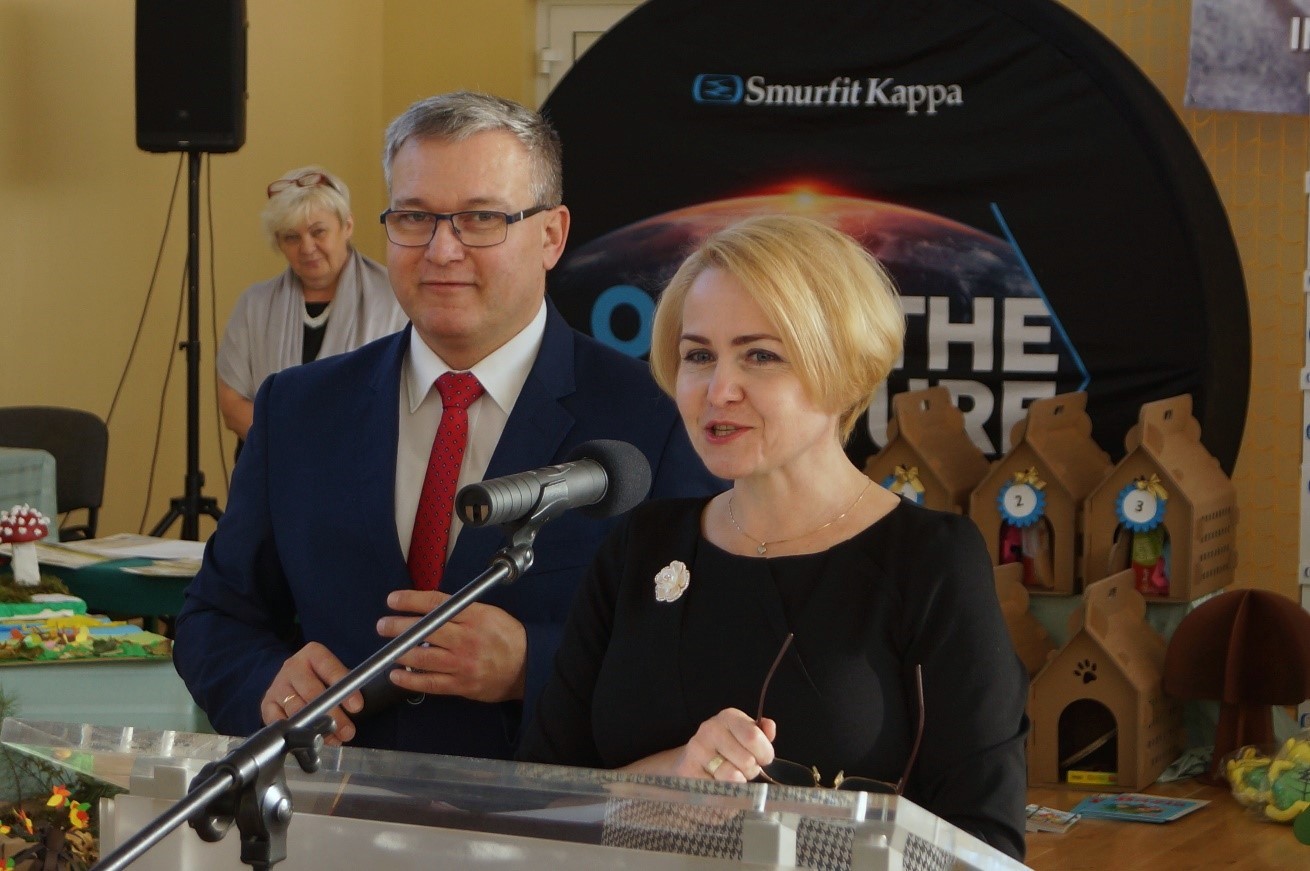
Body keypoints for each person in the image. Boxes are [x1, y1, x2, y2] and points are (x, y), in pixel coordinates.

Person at [174, 92, 722, 760]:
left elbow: (703, 652)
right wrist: (268, 683)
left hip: (546, 817)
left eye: (480, 219)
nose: (441, 249)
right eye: (414, 217)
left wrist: (533, 665)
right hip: (333, 808)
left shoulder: (656, 419)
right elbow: (214, 619)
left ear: (551, 236)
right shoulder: (298, 408)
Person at [518, 215, 1029, 860]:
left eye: (760, 356)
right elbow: (537, 808)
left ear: (844, 370)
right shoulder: (641, 545)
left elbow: (987, 846)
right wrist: (672, 781)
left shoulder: (929, 561)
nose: (718, 390)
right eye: (698, 355)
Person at [216, 165, 407, 445]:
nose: (306, 248)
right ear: (279, 242)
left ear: (347, 227)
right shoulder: (253, 306)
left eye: (318, 232)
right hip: (271, 462)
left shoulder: (395, 299)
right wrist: (296, 448)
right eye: (291, 237)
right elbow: (232, 405)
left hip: (364, 458)